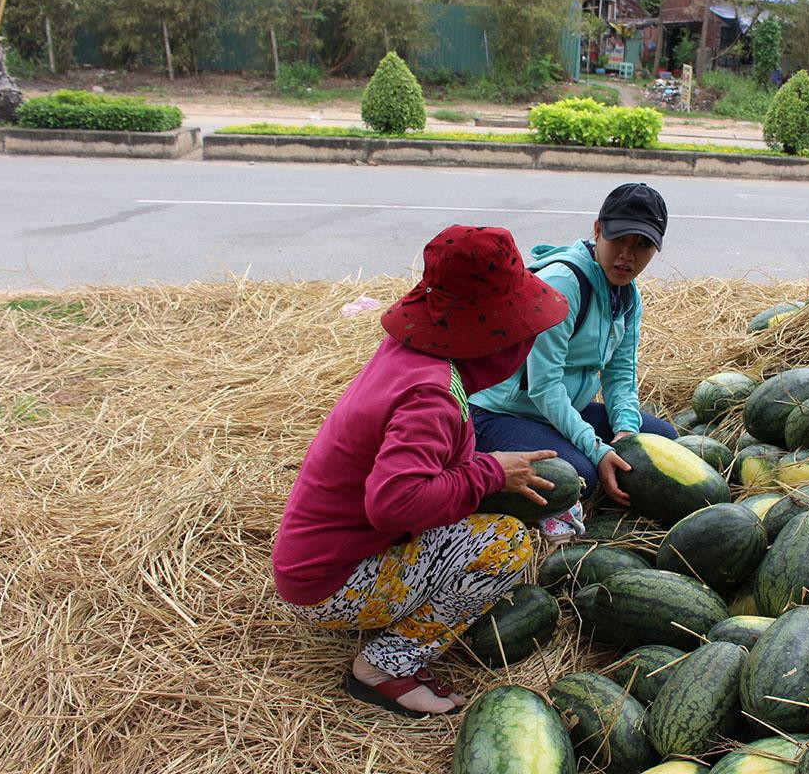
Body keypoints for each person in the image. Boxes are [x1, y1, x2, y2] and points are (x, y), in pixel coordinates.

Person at [271, 225, 569, 718]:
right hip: (329, 581)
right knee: (506, 544)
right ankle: (385, 667)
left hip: (316, 559)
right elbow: (393, 503)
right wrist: (489, 473)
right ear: (491, 337)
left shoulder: (414, 356)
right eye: (523, 332)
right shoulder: (431, 395)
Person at [469, 183, 678, 538]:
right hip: (498, 413)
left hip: (562, 411)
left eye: (641, 245)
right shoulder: (562, 285)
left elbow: (620, 374)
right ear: (597, 230)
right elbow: (544, 387)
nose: (627, 256)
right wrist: (597, 449)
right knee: (581, 473)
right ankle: (481, 485)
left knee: (660, 438)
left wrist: (625, 430)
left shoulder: (627, 295)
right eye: (618, 240)